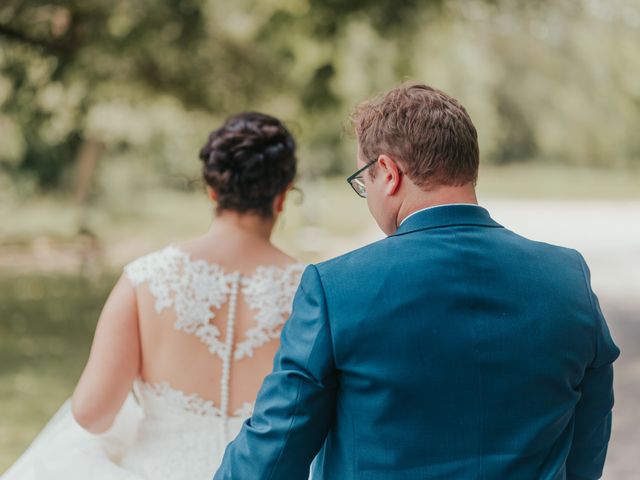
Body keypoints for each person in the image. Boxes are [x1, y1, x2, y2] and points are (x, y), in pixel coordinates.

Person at [213, 84, 620, 479]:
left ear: (387, 173)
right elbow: (587, 447)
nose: (367, 195)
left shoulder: (335, 287)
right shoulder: (568, 279)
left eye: (363, 182)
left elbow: (273, 451)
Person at [2, 112, 305, 480]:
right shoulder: (310, 290)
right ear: (283, 196)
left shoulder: (145, 280)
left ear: (212, 190)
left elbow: (92, 415)